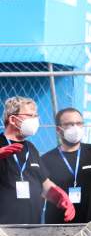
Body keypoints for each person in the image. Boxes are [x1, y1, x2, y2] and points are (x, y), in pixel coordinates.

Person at [0, 96, 76, 224]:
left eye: (36, 116)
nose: (35, 120)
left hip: (32, 227)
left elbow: (44, 185)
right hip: (3, 230)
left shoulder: (31, 148)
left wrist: (60, 196)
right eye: (30, 115)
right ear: (13, 119)